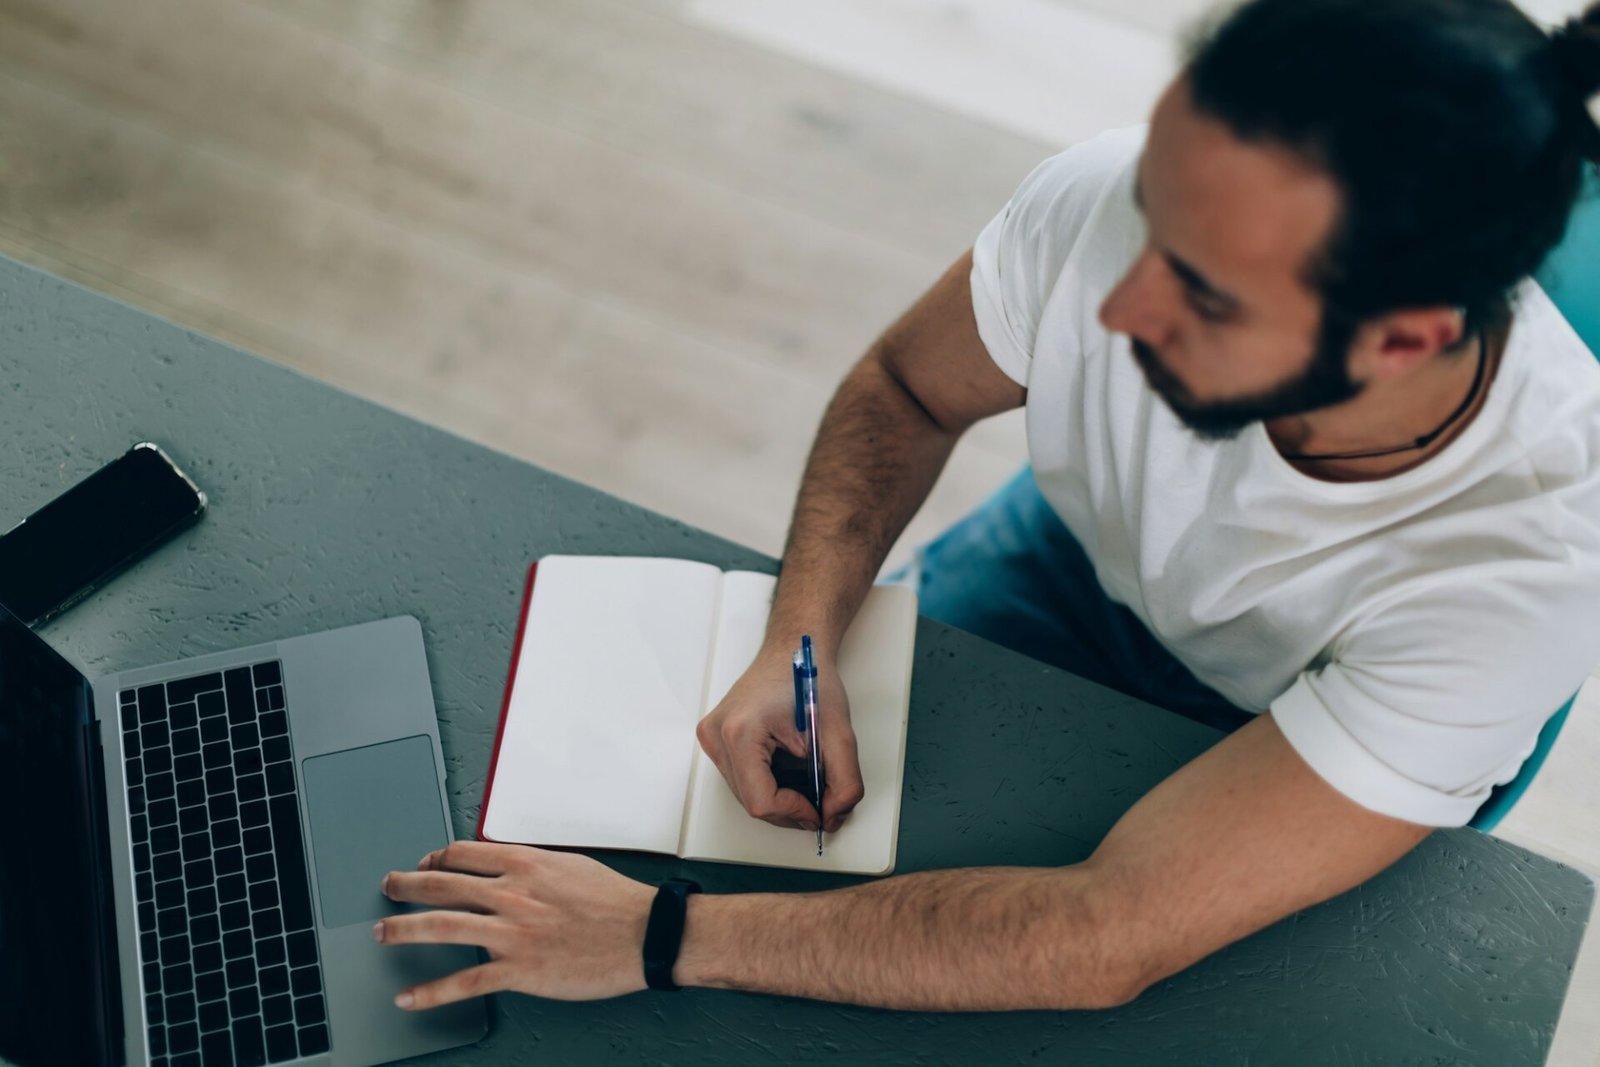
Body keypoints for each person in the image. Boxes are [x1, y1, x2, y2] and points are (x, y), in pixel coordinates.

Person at [375, 0, 1600, 1012]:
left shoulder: (1524, 580)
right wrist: (795, 634)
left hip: (1304, 718)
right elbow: (908, 386)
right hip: (1073, 562)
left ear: (1401, 341)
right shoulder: (1109, 198)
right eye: (1148, 219)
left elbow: (1101, 935)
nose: (1116, 312)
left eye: (1205, 296)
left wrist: (654, 935)